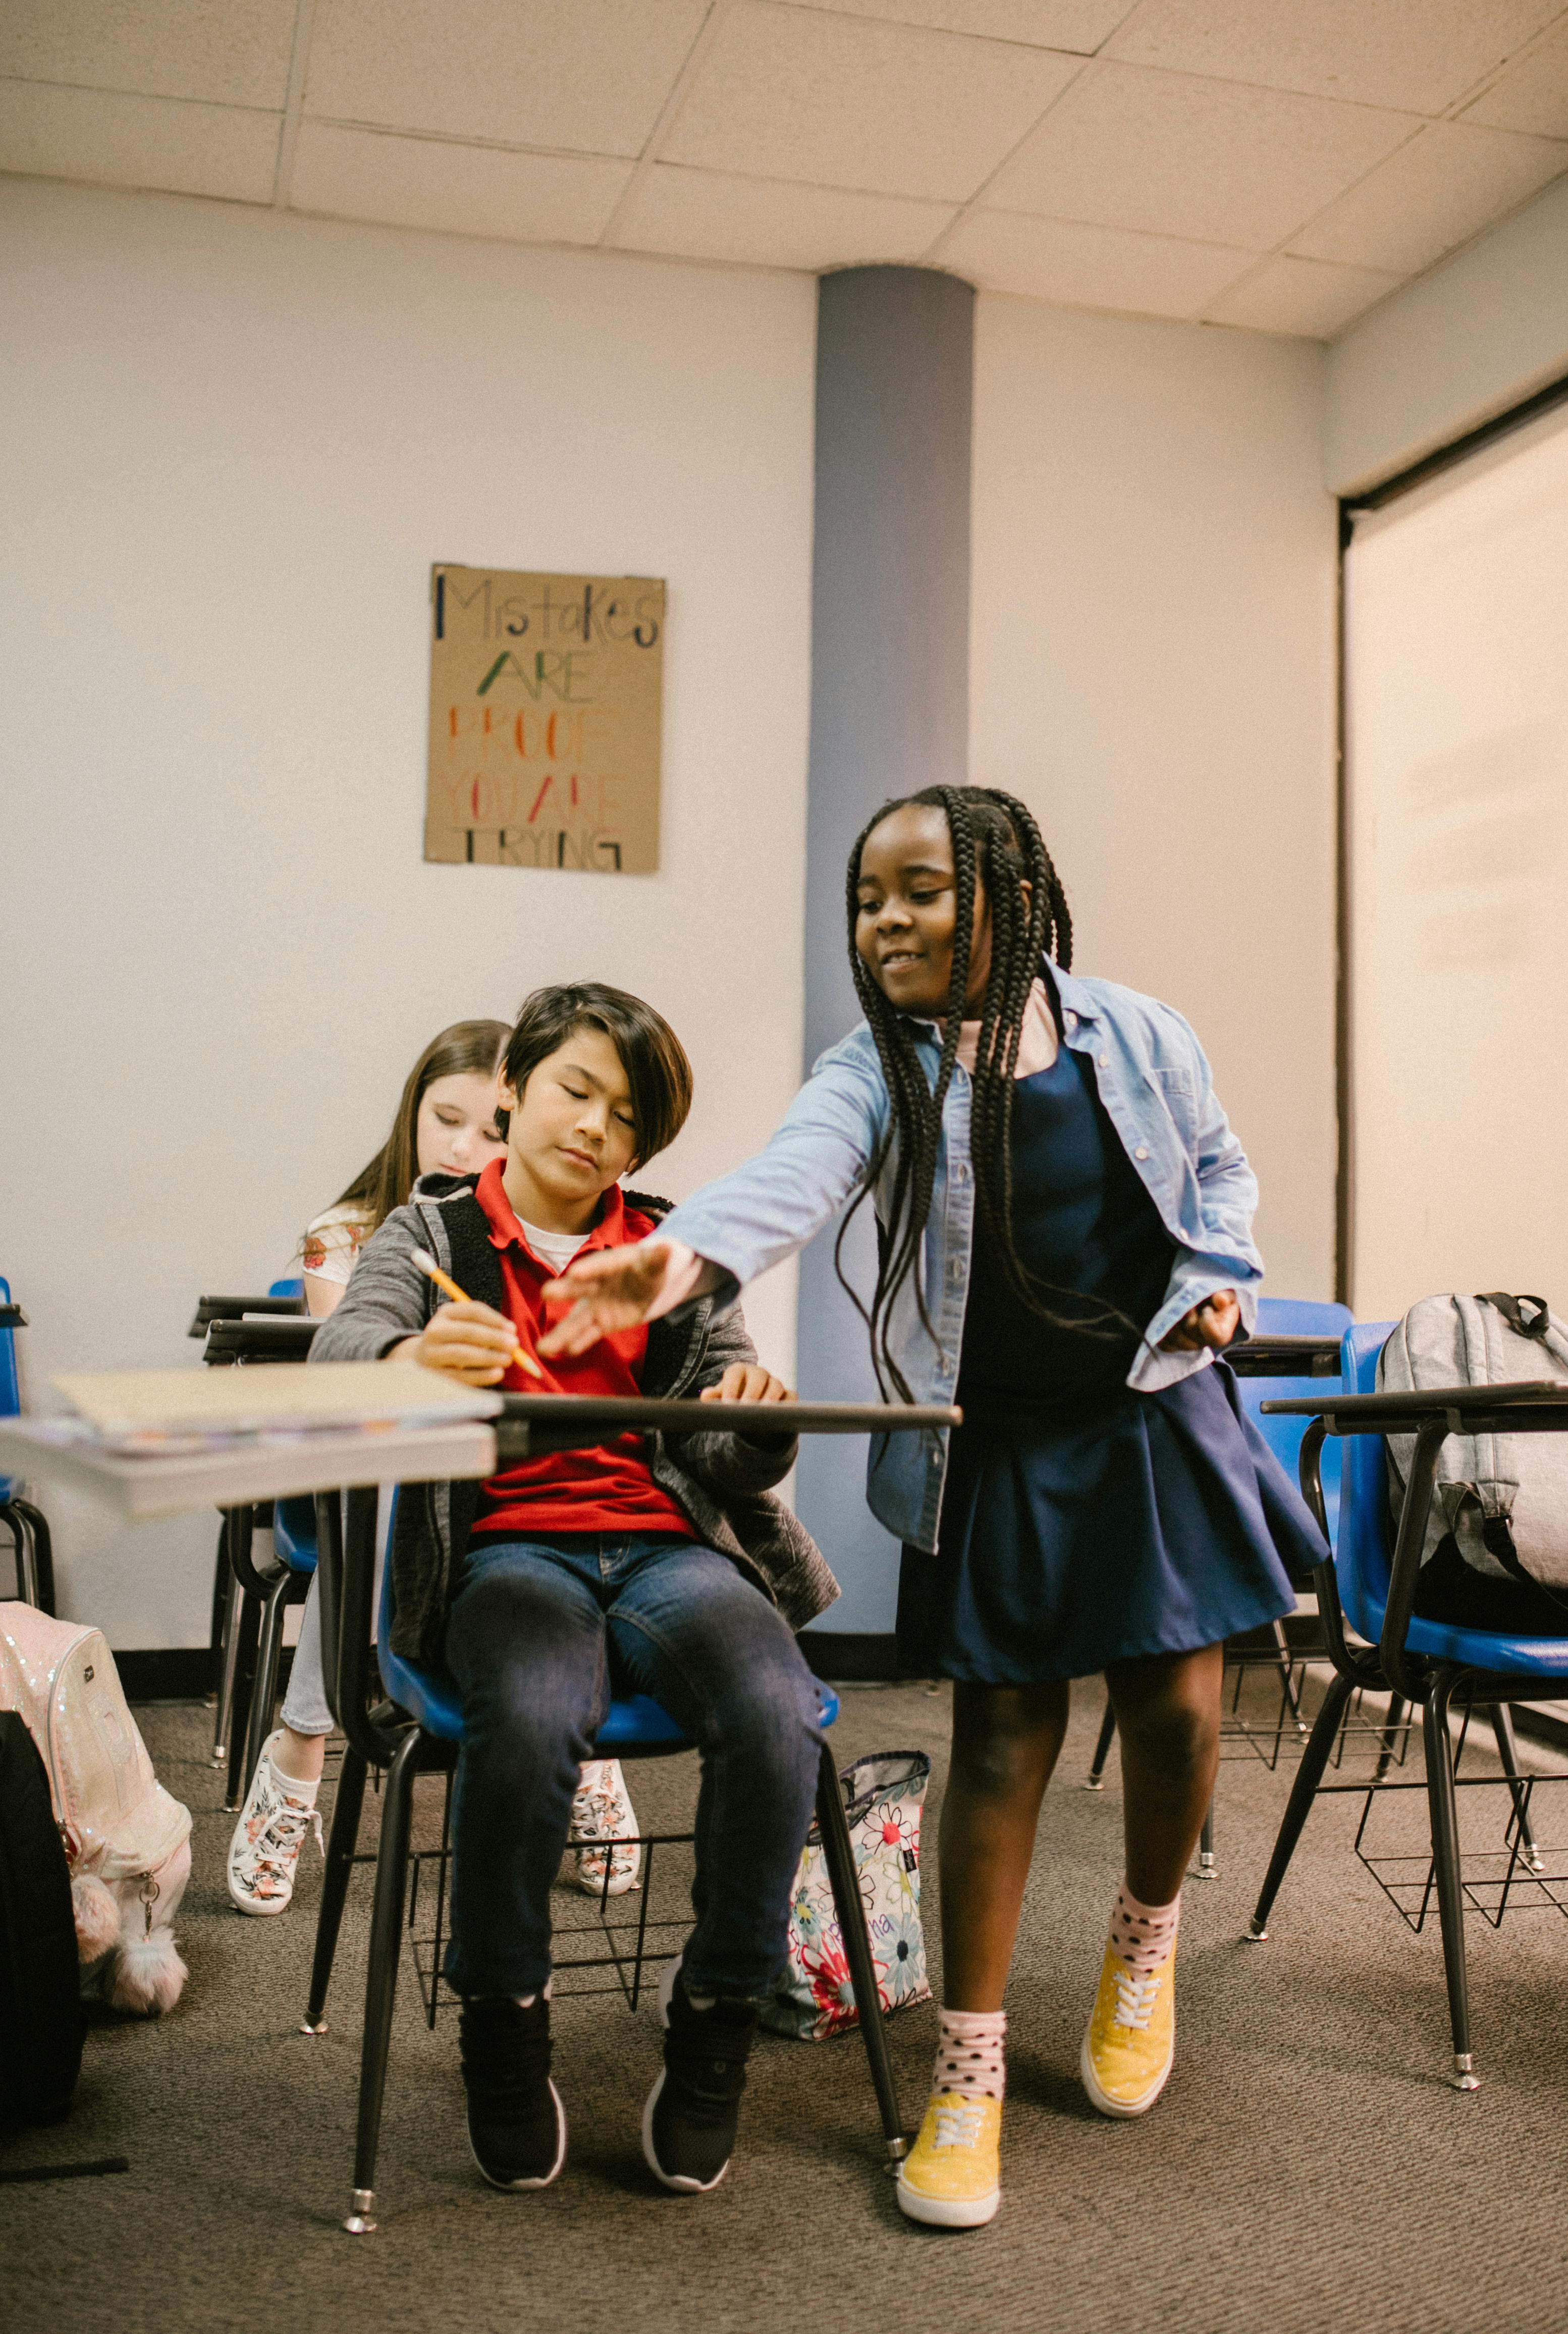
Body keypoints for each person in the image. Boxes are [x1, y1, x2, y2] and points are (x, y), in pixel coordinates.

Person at [538, 787, 1324, 2231]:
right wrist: (682, 1259)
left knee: (1179, 1711)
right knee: (1003, 1737)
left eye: (918, 892)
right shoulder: (876, 1070)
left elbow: (1218, 1167)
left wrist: (1220, 1269)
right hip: (1004, 1443)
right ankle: (968, 2077)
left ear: (1009, 893)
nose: (883, 921)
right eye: (865, 898)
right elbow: (794, 1175)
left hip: (1150, 1411)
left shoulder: (1138, 1031)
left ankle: (1139, 1955)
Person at [311, 982, 839, 2197]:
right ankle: (504, 2015)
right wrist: (405, 1352)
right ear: (514, 1089)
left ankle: (712, 2024)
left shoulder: (674, 1249)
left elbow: (721, 1434)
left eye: (627, 1114)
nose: (596, 1125)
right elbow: (342, 1348)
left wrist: (746, 1420)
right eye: (574, 1089)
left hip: (668, 1549)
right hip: (508, 1554)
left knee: (779, 1713)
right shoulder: (431, 1235)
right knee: (536, 1708)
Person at [227, 1017, 641, 1915]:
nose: (465, 1144)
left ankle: (589, 1747)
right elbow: (353, 1374)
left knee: (597, 1494)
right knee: (391, 1481)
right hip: (378, 1471)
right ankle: (303, 1736)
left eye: (488, 1128)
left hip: (512, 1485)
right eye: (442, 1118)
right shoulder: (359, 1231)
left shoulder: (565, 1227)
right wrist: (421, 1352)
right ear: (410, 1114)